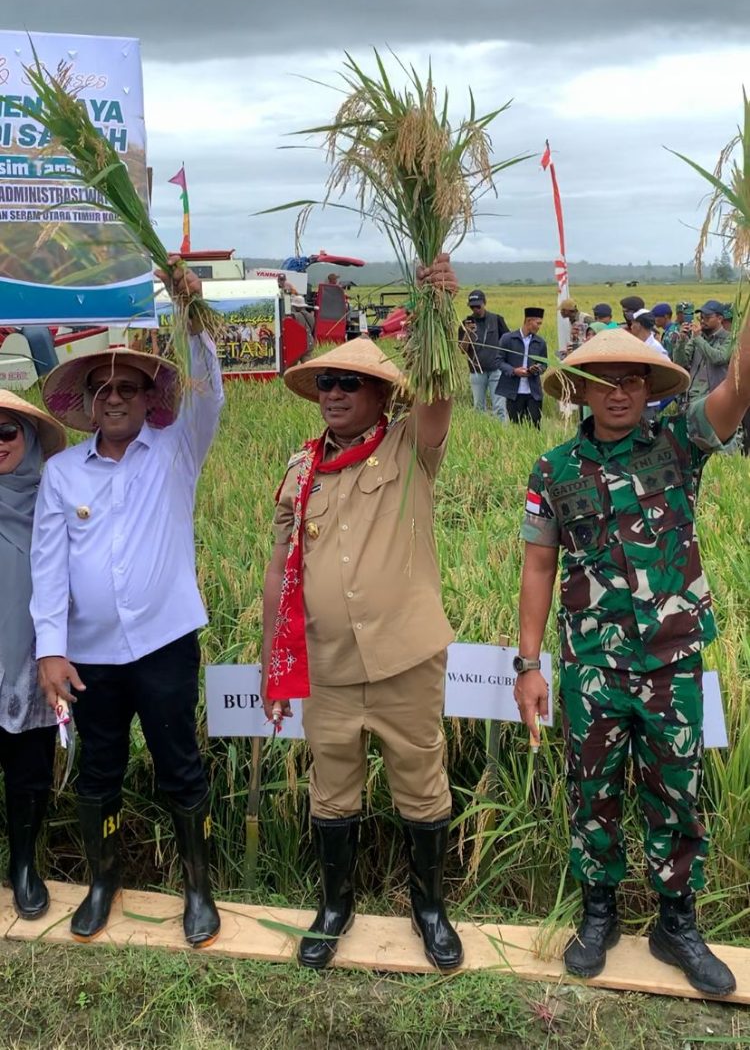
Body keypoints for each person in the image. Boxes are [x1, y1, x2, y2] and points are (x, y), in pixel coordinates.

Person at [514, 325, 750, 997]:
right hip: (591, 665)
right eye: (605, 380)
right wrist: (527, 666)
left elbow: (739, 390)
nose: (619, 392)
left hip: (672, 661)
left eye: (634, 379)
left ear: (649, 389)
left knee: (678, 795)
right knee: (593, 792)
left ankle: (676, 923)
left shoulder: (678, 444)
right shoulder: (554, 471)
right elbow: (537, 565)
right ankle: (599, 916)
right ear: (582, 389)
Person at [261, 253, 464, 974]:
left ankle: (429, 909)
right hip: (330, 667)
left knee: (421, 783)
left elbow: (438, 399)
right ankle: (335, 907)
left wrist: (442, 310)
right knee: (333, 787)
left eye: (350, 382)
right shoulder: (298, 470)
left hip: (406, 658)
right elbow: (278, 578)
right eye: (326, 382)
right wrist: (270, 665)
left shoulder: (410, 449)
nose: (334, 392)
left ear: (381, 394)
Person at [30, 265, 225, 948]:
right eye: (102, 388)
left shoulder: (176, 451)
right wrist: (50, 648)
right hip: (89, 655)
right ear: (87, 404)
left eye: (127, 387)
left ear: (150, 400)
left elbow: (211, 393)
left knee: (180, 764)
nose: (113, 398)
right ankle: (102, 882)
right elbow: (48, 565)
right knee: (98, 769)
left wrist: (191, 312)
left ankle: (198, 888)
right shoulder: (62, 474)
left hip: (166, 643)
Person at [0, 393, 66, 921]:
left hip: (33, 660)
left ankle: (24, 865)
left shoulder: (52, 497)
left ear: (29, 438)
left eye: (6, 432)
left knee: (29, 769)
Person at [458, 290, 509, 420]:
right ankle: (482, 435)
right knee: (478, 407)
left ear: (484, 303)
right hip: (476, 372)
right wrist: (468, 333)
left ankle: (503, 433)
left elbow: (508, 341)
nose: (475, 309)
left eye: (478, 306)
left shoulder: (497, 320)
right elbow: (462, 350)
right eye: (472, 306)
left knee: (500, 407)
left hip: (496, 370)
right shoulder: (464, 324)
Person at [672, 300, 731, 405]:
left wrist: (698, 338)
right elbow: (680, 362)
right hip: (692, 398)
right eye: (701, 318)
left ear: (720, 319)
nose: (703, 321)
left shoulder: (728, 338)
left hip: (714, 399)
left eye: (707, 318)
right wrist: (681, 340)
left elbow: (718, 358)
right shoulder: (697, 337)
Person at [495, 309, 547, 427]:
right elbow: (499, 361)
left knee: (535, 427)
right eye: (537, 323)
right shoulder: (507, 339)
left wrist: (537, 368)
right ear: (529, 321)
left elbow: (544, 364)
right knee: (516, 427)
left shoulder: (540, 342)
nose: (539, 327)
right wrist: (514, 371)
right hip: (514, 393)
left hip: (533, 393)